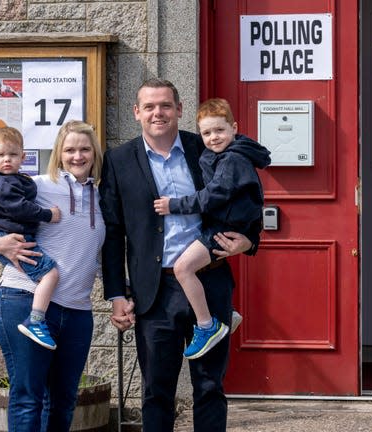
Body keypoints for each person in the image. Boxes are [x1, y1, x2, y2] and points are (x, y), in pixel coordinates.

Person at [99, 78, 256, 432]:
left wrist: (248, 239)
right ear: (137, 113)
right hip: (155, 293)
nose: (159, 113)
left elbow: (245, 195)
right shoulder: (119, 160)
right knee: (156, 390)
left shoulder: (205, 148)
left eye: (166, 106)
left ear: (179, 110)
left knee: (210, 387)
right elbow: (112, 233)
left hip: (209, 281)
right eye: (150, 107)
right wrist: (115, 295)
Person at [0, 120, 105, 431]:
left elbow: (96, 254)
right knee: (28, 397)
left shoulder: (102, 198)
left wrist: (120, 293)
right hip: (24, 300)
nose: (77, 156)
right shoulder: (37, 185)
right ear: (59, 153)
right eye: (70, 149)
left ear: (95, 153)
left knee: (63, 402)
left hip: (77, 312)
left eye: (84, 149)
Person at [153, 98, 270, 359]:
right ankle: (226, 316)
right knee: (189, 268)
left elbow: (213, 195)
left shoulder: (232, 160)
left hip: (222, 230)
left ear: (234, 128)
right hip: (220, 225)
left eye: (219, 130)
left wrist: (175, 205)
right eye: (206, 133)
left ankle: (207, 326)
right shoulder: (219, 155)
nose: (213, 137)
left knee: (183, 268)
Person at [0, 126, 61, 350]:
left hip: (12, 237)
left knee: (29, 273)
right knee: (49, 274)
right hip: (15, 240)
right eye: (1, 155)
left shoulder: (6, 180)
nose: (7, 160)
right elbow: (20, 208)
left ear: (23, 156)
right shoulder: (4, 184)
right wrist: (47, 215)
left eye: (12, 155)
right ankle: (36, 321)